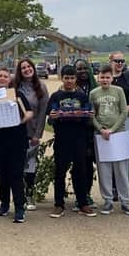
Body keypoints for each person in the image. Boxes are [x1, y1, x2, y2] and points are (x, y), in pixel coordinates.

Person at [47, 65, 96, 218]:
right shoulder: (55, 96)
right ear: (62, 78)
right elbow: (50, 118)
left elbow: (88, 118)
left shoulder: (82, 97)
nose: (69, 81)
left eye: (72, 78)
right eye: (66, 78)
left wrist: (90, 115)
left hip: (79, 139)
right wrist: (53, 118)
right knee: (60, 171)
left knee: (80, 171)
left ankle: (82, 203)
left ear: (76, 79)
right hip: (62, 139)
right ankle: (58, 204)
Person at [0, 67, 33, 223]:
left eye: (5, 76)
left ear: (10, 79)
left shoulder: (17, 94)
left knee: (16, 174)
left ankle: (20, 206)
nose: (2, 78)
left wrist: (22, 119)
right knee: (1, 174)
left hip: (17, 139)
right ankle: (4, 202)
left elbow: (30, 112)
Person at [90, 65, 129, 216]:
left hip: (118, 133)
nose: (104, 80)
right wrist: (101, 129)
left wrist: (113, 129)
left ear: (111, 78)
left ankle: (125, 201)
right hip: (101, 135)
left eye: (107, 77)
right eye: (102, 77)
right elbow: (92, 114)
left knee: (122, 169)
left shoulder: (118, 91)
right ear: (98, 78)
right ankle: (108, 200)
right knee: (104, 169)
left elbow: (123, 111)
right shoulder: (94, 93)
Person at [14, 58, 49, 211]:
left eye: (29, 66)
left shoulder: (41, 86)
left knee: (30, 166)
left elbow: (43, 112)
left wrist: (38, 134)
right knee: (16, 165)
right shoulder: (15, 85)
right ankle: (18, 195)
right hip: (16, 130)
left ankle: (29, 194)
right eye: (23, 68)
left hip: (32, 131)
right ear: (19, 71)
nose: (27, 69)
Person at [109, 52, 129, 201]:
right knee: (112, 154)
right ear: (111, 61)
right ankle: (114, 187)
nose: (120, 63)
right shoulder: (106, 78)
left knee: (127, 155)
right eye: (117, 61)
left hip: (128, 119)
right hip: (110, 121)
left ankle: (127, 186)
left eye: (122, 61)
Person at [72, 58, 99, 209]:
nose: (82, 71)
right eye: (79, 69)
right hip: (77, 133)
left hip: (93, 131)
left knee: (89, 165)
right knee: (78, 165)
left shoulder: (95, 88)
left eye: (85, 68)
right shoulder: (70, 88)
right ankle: (79, 195)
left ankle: (86, 194)